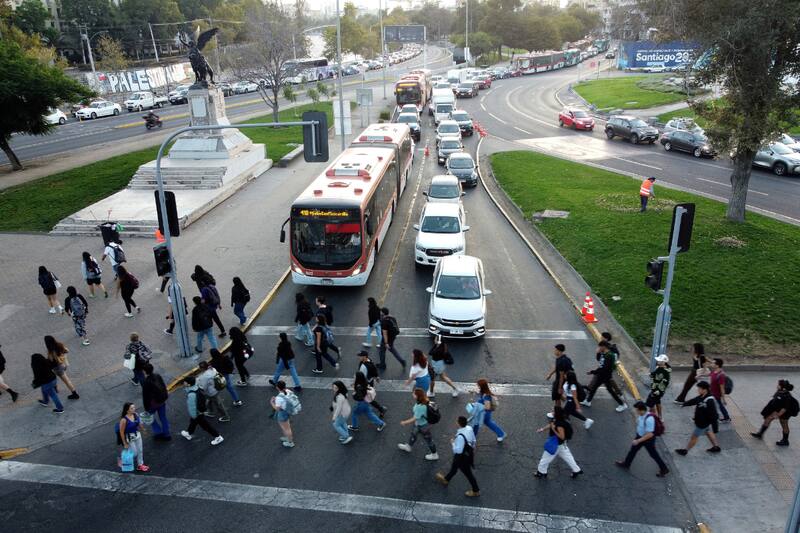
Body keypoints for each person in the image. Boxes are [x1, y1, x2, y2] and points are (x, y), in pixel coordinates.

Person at [615, 401, 669, 477]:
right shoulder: (642, 415)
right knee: (633, 450)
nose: (635, 411)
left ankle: (664, 469)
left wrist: (638, 441)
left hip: (647, 440)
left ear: (641, 410)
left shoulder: (649, 419)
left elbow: (650, 434)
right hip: (640, 436)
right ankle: (626, 464)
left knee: (653, 454)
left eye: (636, 410)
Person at [435, 416, 479, 497]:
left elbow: (458, 450)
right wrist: (473, 447)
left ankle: (476, 491)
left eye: (457, 421)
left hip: (461, 457)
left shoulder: (460, 437)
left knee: (468, 474)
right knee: (454, 467)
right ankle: (446, 479)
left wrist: (452, 443)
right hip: (466, 454)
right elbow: (474, 440)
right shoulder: (469, 428)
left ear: (458, 423)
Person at [534, 406, 582, 479]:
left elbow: (561, 436)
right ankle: (576, 470)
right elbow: (551, 424)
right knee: (568, 457)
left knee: (545, 459)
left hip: (556, 444)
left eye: (553, 411)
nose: (551, 411)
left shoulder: (559, 425)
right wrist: (542, 429)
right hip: (562, 444)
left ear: (556, 413)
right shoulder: (558, 419)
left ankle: (541, 472)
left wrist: (554, 429)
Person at [675, 381, 721, 455]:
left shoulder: (710, 401)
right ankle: (716, 447)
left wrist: (715, 428)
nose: (698, 390)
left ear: (705, 389)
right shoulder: (701, 396)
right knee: (708, 431)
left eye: (699, 389)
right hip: (703, 422)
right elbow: (694, 400)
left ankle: (685, 451)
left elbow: (714, 415)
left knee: (694, 437)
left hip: (702, 423)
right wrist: (685, 404)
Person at [752, 379, 799, 446]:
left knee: (784, 424)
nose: (777, 386)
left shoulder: (787, 396)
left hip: (785, 412)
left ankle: (785, 441)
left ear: (783, 388)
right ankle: (760, 434)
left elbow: (784, 409)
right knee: (768, 419)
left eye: (778, 385)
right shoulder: (780, 391)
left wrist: (778, 415)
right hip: (777, 409)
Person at [582, 340, 627, 411]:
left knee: (610, 391)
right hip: (601, 375)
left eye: (600, 346)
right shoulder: (604, 354)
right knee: (594, 388)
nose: (599, 348)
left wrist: (593, 372)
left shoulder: (609, 356)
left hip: (606, 376)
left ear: (603, 346)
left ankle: (622, 404)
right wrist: (598, 353)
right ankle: (588, 401)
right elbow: (600, 364)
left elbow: (604, 368)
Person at [180, 376, 224, 446]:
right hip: (200, 411)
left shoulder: (191, 394)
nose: (183, 383)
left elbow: (192, 407)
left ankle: (218, 436)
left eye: (185, 382)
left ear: (188, 384)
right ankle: (188, 433)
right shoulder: (197, 387)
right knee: (193, 422)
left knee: (205, 426)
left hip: (197, 413)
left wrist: (194, 416)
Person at [398, 388, 438, 460]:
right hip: (419, 424)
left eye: (414, 393)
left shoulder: (420, 407)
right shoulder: (424, 400)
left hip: (423, 426)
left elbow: (415, 418)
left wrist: (404, 422)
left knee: (429, 440)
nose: (412, 394)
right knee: (413, 434)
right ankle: (409, 446)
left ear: (417, 396)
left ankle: (435, 454)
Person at [141, 363, 171, 441]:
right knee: (163, 417)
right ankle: (167, 434)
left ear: (145, 371)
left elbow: (145, 396)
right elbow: (163, 386)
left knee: (150, 417)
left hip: (152, 404)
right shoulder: (157, 376)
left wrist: (146, 408)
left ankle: (158, 432)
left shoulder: (146, 382)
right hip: (161, 401)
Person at [117, 402, 149, 472]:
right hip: (130, 437)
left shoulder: (135, 415)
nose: (134, 409)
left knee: (140, 450)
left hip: (137, 435)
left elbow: (139, 423)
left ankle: (140, 465)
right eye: (132, 408)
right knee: (134, 453)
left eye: (134, 407)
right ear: (127, 410)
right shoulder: (124, 420)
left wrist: (143, 429)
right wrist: (125, 443)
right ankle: (123, 459)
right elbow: (121, 432)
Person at [44, 335, 79, 400]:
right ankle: (55, 387)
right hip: (64, 364)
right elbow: (67, 351)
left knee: (66, 381)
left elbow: (51, 361)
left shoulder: (51, 351)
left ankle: (75, 394)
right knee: (60, 378)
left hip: (58, 368)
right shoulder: (59, 344)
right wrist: (63, 358)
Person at [357, 350, 386, 417]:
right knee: (364, 397)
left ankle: (381, 409)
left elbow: (363, 376)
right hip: (369, 381)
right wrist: (376, 377)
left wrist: (358, 384)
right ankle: (363, 407)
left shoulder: (365, 366)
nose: (359, 357)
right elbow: (374, 369)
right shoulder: (367, 361)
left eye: (360, 356)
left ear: (364, 357)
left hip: (366, 384)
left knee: (367, 398)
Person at [546, 344, 573, 413]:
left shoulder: (561, 361)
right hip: (564, 380)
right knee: (558, 395)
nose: (554, 351)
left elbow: (561, 376)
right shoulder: (564, 358)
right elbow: (556, 368)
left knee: (557, 397)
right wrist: (550, 374)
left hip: (561, 381)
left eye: (555, 350)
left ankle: (557, 411)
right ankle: (568, 402)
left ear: (559, 351)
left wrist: (560, 387)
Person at [270, 380, 297, 448]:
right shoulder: (288, 391)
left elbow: (277, 409)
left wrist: (272, 402)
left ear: (277, 388)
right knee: (287, 426)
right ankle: (288, 438)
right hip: (287, 411)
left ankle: (290, 442)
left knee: (286, 428)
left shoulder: (279, 398)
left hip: (282, 413)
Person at [379, 307, 405, 371]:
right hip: (392, 337)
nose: (380, 313)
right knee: (392, 349)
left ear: (383, 313)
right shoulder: (392, 318)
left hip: (387, 339)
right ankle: (402, 361)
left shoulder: (384, 321)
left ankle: (382, 365)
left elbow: (385, 333)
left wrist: (386, 343)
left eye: (381, 312)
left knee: (382, 351)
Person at [647, 354, 672, 420]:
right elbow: (655, 373)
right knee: (657, 402)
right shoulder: (658, 367)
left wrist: (659, 390)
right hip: (654, 388)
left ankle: (653, 417)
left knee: (651, 402)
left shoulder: (666, 372)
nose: (657, 362)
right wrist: (651, 375)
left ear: (663, 362)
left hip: (658, 390)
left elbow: (665, 382)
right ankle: (660, 417)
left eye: (659, 361)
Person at [709, 358, 731, 422]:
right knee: (716, 405)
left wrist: (724, 399)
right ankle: (726, 417)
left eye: (713, 363)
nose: (711, 364)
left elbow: (722, 388)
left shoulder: (721, 375)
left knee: (720, 406)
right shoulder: (714, 371)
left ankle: (726, 418)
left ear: (717, 365)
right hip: (711, 392)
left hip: (716, 394)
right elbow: (710, 376)